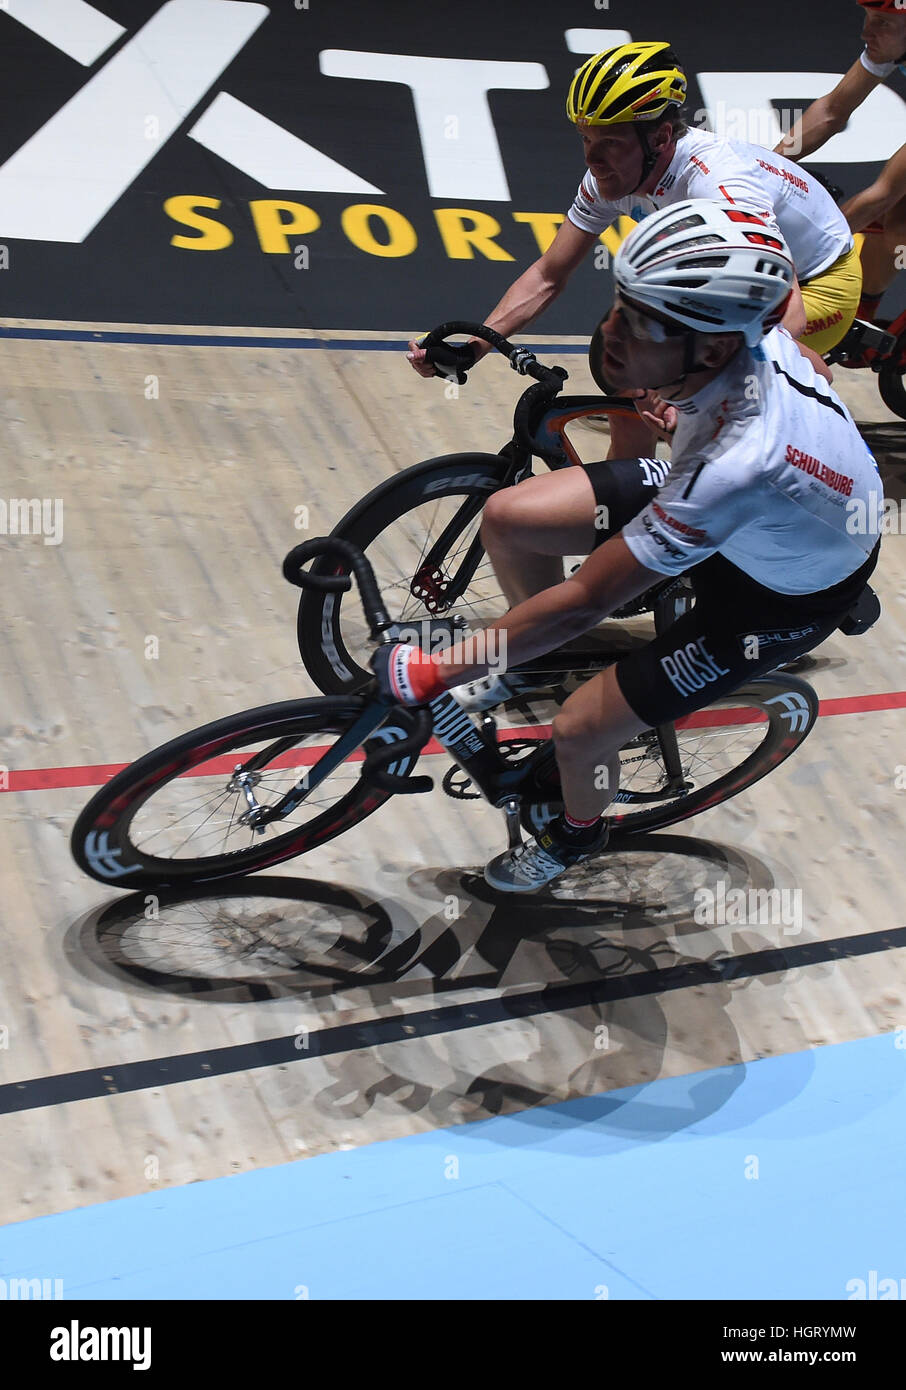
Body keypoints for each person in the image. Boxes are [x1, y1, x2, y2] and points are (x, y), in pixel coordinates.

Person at [379, 200, 882, 892]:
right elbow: (788, 298)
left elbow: (584, 599)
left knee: (580, 727)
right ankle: (530, 657)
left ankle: (573, 836)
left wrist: (438, 672)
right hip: (750, 505)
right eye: (620, 304)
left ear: (710, 348)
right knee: (510, 515)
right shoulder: (749, 335)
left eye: (642, 323)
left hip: (772, 597)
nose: (612, 334)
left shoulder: (738, 464)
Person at [408, 40, 858, 460]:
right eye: (586, 138)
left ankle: (801, 455)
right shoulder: (611, 179)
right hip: (728, 264)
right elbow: (548, 275)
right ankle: (623, 500)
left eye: (609, 142)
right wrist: (472, 349)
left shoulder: (716, 184)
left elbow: (787, 310)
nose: (591, 157)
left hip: (820, 281)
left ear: (660, 138)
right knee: (629, 363)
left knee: (703, 382)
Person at [774, 0, 906, 358]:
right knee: (890, 219)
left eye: (881, 22)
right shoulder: (891, 46)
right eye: (867, 19)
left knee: (885, 205)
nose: (866, 32)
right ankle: (862, 319)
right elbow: (832, 111)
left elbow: (881, 193)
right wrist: (767, 167)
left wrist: (804, 255)